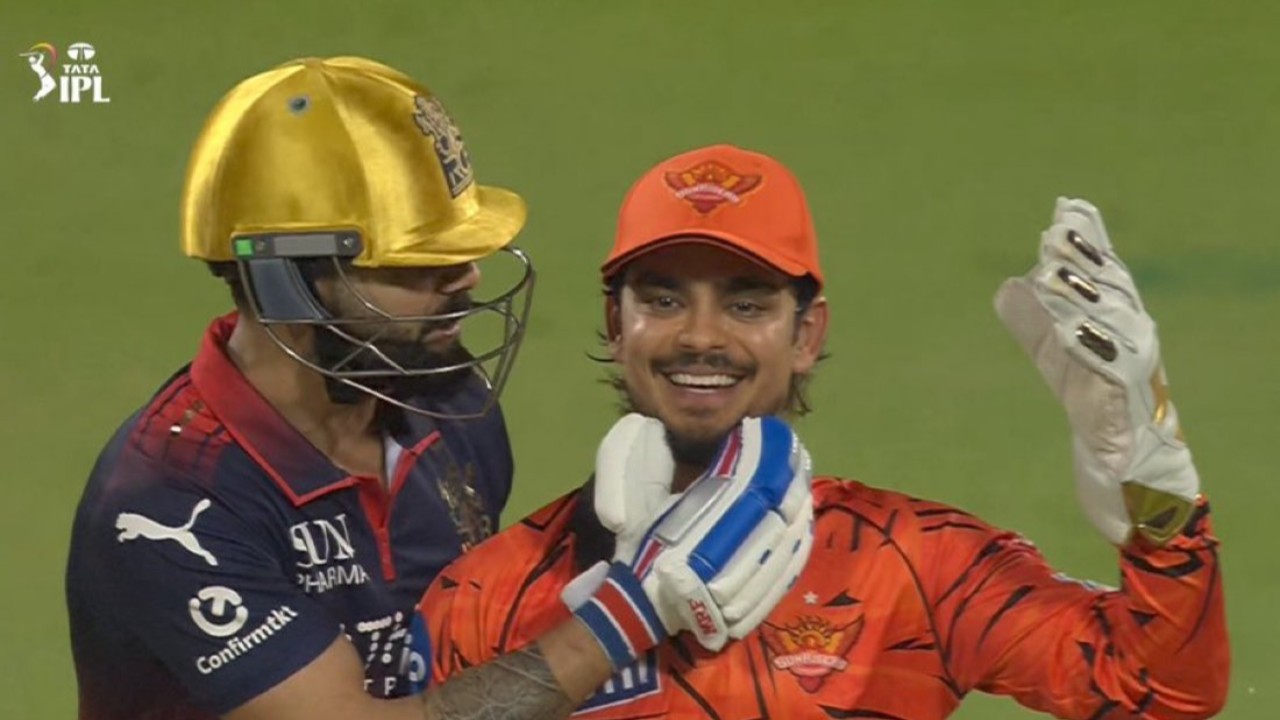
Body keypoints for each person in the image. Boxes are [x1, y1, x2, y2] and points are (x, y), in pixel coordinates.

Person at [65, 58, 813, 720]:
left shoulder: (444, 402)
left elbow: (467, 641)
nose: (467, 277)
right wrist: (632, 609)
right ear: (283, 279)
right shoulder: (169, 502)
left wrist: (611, 533)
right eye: (415, 264)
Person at [416, 143, 1231, 718]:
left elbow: (1158, 691)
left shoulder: (914, 565)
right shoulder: (492, 591)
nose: (700, 336)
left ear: (806, 335)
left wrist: (1154, 483)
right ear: (615, 325)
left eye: (747, 303)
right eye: (662, 300)